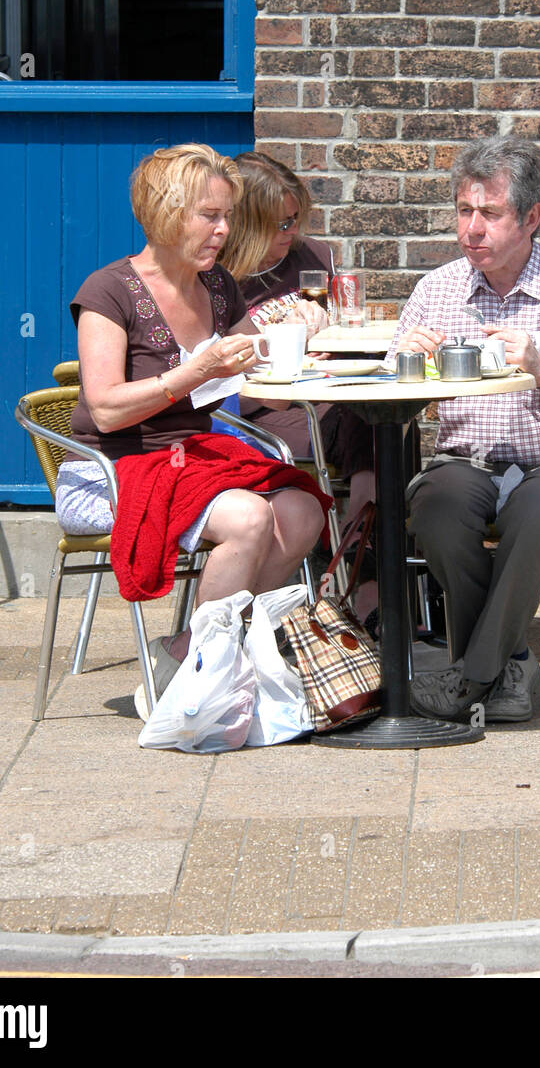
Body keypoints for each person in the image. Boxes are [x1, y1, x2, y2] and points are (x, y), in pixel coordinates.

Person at [54, 144, 329, 719]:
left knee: (304, 513)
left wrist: (295, 336)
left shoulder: (220, 286)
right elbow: (104, 409)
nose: (225, 230)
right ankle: (202, 676)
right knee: (250, 517)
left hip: (193, 459)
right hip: (109, 468)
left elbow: (254, 373)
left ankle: (199, 653)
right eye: (211, 215)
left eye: (226, 216)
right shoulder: (108, 291)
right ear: (166, 212)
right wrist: (194, 373)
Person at [387, 136, 540, 723]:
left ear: (531, 218)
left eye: (490, 214)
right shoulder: (437, 290)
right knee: (434, 508)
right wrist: (405, 362)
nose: (471, 229)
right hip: (467, 461)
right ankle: (512, 663)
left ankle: (469, 678)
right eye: (463, 211)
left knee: (537, 510)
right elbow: (407, 406)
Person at [221, 152, 378, 618]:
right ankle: (365, 578)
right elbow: (219, 366)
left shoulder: (313, 258)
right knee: (369, 424)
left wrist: (329, 331)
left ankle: (364, 557)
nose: (291, 235)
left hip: (319, 396)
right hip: (250, 411)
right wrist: (285, 339)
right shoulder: (216, 277)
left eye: (295, 221)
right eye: (278, 226)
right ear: (244, 225)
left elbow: (346, 336)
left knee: (383, 419)